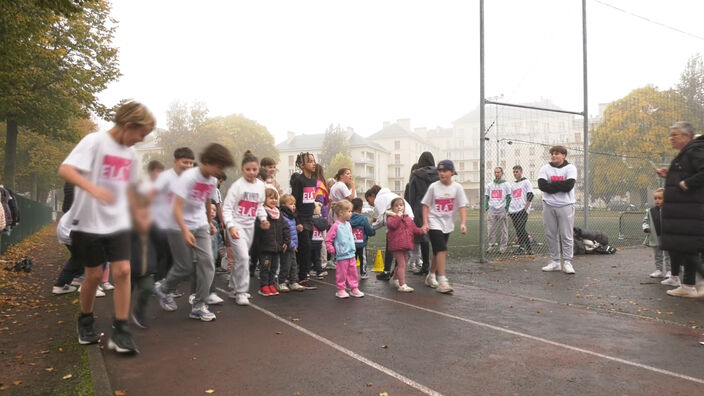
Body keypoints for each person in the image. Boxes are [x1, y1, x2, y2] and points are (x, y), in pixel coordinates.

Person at [58, 101, 155, 353]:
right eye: (140, 134)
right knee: (92, 275)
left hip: (117, 222)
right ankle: (86, 319)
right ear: (129, 125)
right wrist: (92, 188)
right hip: (88, 222)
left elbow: (130, 189)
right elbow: (66, 169)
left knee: (123, 271)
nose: (140, 140)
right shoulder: (94, 141)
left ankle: (121, 331)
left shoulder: (130, 155)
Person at [154, 143, 235, 322]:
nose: (220, 171)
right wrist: (184, 231)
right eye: (218, 166)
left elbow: (207, 201)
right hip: (177, 225)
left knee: (208, 264)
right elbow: (176, 207)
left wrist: (209, 222)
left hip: (200, 225)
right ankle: (164, 288)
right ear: (207, 161)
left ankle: (199, 306)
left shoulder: (213, 180)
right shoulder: (189, 178)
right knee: (185, 267)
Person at [656, 122, 704, 298]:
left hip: (690, 211)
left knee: (687, 248)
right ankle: (688, 285)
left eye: (674, 134)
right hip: (685, 211)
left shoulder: (695, 150)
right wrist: (670, 174)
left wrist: (686, 184)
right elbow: (689, 172)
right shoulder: (688, 152)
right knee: (688, 248)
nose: (671, 138)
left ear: (686, 136)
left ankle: (694, 284)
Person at [222, 150, 269, 305]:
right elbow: (227, 208)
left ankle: (233, 286)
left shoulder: (261, 186)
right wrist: (230, 226)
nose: (251, 172)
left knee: (240, 259)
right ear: (242, 170)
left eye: (254, 169)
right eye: (248, 169)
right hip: (236, 226)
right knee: (243, 257)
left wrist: (263, 218)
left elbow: (259, 205)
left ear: (258, 170)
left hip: (250, 227)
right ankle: (242, 291)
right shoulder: (237, 186)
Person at [421, 160, 468, 294]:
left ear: (452, 172)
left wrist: (463, 223)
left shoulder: (457, 188)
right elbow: (425, 205)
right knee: (441, 249)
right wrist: (425, 223)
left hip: (448, 224)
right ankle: (442, 280)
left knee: (438, 252)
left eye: (445, 171)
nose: (441, 173)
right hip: (434, 221)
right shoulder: (433, 187)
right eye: (440, 171)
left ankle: (431, 276)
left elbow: (462, 206)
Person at [150, 147, 195, 282]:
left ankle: (164, 283)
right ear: (175, 161)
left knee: (173, 255)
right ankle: (159, 282)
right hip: (161, 222)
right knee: (164, 253)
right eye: (184, 162)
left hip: (178, 223)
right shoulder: (165, 177)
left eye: (191, 163)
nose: (188, 166)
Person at [538, 145, 578, 274]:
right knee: (551, 234)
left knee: (566, 235)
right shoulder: (545, 168)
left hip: (566, 205)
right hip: (548, 205)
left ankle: (567, 262)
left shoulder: (570, 168)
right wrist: (558, 185)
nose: (554, 156)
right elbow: (542, 186)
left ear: (564, 155)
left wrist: (552, 185)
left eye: (557, 153)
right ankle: (555, 262)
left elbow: (569, 186)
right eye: (552, 153)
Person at [364, 185, 413, 280]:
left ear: (372, 196)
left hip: (400, 220)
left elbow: (382, 219)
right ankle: (393, 272)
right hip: (408, 218)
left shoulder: (379, 199)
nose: (370, 203)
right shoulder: (389, 195)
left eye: (368, 200)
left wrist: (371, 228)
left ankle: (388, 272)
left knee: (392, 246)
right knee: (400, 248)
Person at [407, 152, 439, 276]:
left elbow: (412, 194)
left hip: (420, 207)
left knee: (424, 237)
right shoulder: (439, 174)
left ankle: (425, 265)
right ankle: (436, 266)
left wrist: (411, 210)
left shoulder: (416, 174)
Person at [253, 188, 289, 296]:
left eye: (275, 198)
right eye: (270, 198)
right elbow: (255, 228)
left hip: (276, 247)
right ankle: (264, 285)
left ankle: (271, 284)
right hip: (265, 247)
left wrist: (286, 241)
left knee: (274, 268)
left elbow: (285, 227)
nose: (273, 200)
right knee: (265, 268)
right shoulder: (261, 213)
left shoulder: (278, 213)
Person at [325, 200, 364, 298]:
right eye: (349, 211)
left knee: (353, 272)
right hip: (342, 255)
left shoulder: (348, 224)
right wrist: (333, 250)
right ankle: (340, 290)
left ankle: (354, 288)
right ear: (341, 212)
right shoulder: (335, 226)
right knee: (341, 274)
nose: (351, 213)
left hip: (351, 254)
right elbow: (328, 240)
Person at [129, 194, 157, 329]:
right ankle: (118, 318)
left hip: (146, 266)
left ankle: (138, 311)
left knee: (147, 288)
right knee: (125, 293)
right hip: (127, 267)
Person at [290, 152, 318, 289]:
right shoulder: (299, 181)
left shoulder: (313, 180)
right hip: (301, 219)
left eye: (314, 161)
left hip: (310, 219)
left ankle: (303, 275)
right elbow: (294, 202)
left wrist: (314, 207)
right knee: (304, 248)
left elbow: (310, 199)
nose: (314, 163)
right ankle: (301, 277)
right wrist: (298, 221)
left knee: (309, 248)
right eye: (310, 161)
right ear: (302, 165)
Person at [386, 198, 425, 292]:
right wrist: (398, 216)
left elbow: (414, 229)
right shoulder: (391, 218)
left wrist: (422, 230)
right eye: (396, 205)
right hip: (397, 245)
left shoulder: (407, 218)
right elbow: (393, 225)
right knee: (402, 264)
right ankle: (402, 285)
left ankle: (395, 278)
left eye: (401, 205)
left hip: (406, 245)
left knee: (402, 264)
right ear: (392, 208)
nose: (399, 207)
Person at [279, 194, 306, 292]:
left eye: (294, 204)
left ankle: (293, 281)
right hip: (287, 245)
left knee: (294, 265)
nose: (294, 206)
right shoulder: (282, 216)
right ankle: (281, 282)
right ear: (283, 205)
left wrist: (297, 229)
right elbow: (285, 233)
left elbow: (292, 231)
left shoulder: (292, 217)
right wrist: (291, 244)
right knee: (286, 264)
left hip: (293, 245)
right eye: (291, 204)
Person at [509, 165, 534, 255]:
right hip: (513, 211)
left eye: (517, 172)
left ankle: (529, 248)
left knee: (521, 228)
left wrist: (525, 209)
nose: (515, 174)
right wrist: (509, 210)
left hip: (522, 210)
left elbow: (530, 195)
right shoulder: (513, 185)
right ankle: (521, 247)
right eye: (514, 172)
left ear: (521, 172)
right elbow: (512, 198)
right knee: (518, 230)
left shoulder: (526, 182)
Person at [486, 167, 512, 254]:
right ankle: (491, 245)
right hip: (492, 210)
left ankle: (503, 247)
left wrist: (507, 208)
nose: (497, 174)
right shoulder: (490, 185)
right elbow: (487, 197)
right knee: (490, 229)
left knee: (504, 230)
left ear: (502, 173)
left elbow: (509, 197)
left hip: (502, 210)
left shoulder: (506, 185)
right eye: (495, 172)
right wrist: (487, 207)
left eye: (498, 172)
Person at [350, 198, 375, 280]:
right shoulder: (363, 219)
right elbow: (369, 231)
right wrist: (373, 229)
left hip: (351, 243)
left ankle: (351, 274)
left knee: (352, 259)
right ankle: (363, 273)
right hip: (361, 243)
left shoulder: (348, 218)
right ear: (361, 208)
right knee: (363, 258)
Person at [310, 202, 330, 279]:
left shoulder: (310, 219)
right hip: (319, 241)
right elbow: (324, 227)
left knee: (311, 256)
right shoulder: (322, 220)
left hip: (311, 240)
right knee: (318, 256)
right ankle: (319, 271)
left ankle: (312, 269)